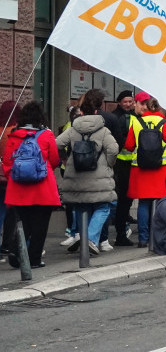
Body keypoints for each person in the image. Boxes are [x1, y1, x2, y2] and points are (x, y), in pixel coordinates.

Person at [55, 90, 119, 255]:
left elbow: (57, 144)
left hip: (77, 177)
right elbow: (113, 149)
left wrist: (65, 159)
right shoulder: (103, 130)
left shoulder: (73, 129)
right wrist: (109, 164)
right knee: (103, 207)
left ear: (81, 111)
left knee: (82, 207)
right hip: (99, 177)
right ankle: (90, 239)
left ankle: (84, 239)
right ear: (97, 110)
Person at [2, 100, 61, 268]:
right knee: (40, 226)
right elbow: (54, 160)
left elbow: (7, 162)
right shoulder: (47, 135)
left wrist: (17, 176)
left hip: (19, 188)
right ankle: (34, 259)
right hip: (43, 187)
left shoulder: (14, 135)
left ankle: (15, 251)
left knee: (24, 223)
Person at [124, 96, 166, 250]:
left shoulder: (136, 123)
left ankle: (143, 239)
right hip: (162, 170)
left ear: (146, 107)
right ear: (160, 108)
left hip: (141, 169)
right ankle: (158, 238)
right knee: (162, 204)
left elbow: (129, 145)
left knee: (143, 203)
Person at [109, 91, 137, 246]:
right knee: (122, 200)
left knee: (126, 200)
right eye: (125, 101)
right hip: (120, 164)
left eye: (130, 101)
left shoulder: (132, 116)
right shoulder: (117, 117)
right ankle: (121, 232)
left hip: (129, 163)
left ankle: (121, 230)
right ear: (119, 102)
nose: (128, 104)